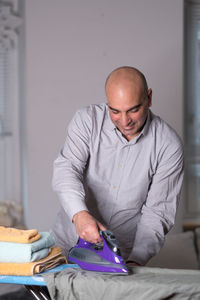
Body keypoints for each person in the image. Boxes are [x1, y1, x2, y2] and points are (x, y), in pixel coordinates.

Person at [51, 66, 184, 266]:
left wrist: (135, 261)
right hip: (65, 244)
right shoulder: (86, 121)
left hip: (120, 257)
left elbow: (158, 212)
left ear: (149, 98)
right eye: (115, 111)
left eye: (133, 110)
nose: (125, 121)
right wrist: (79, 215)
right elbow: (67, 169)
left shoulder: (168, 145)